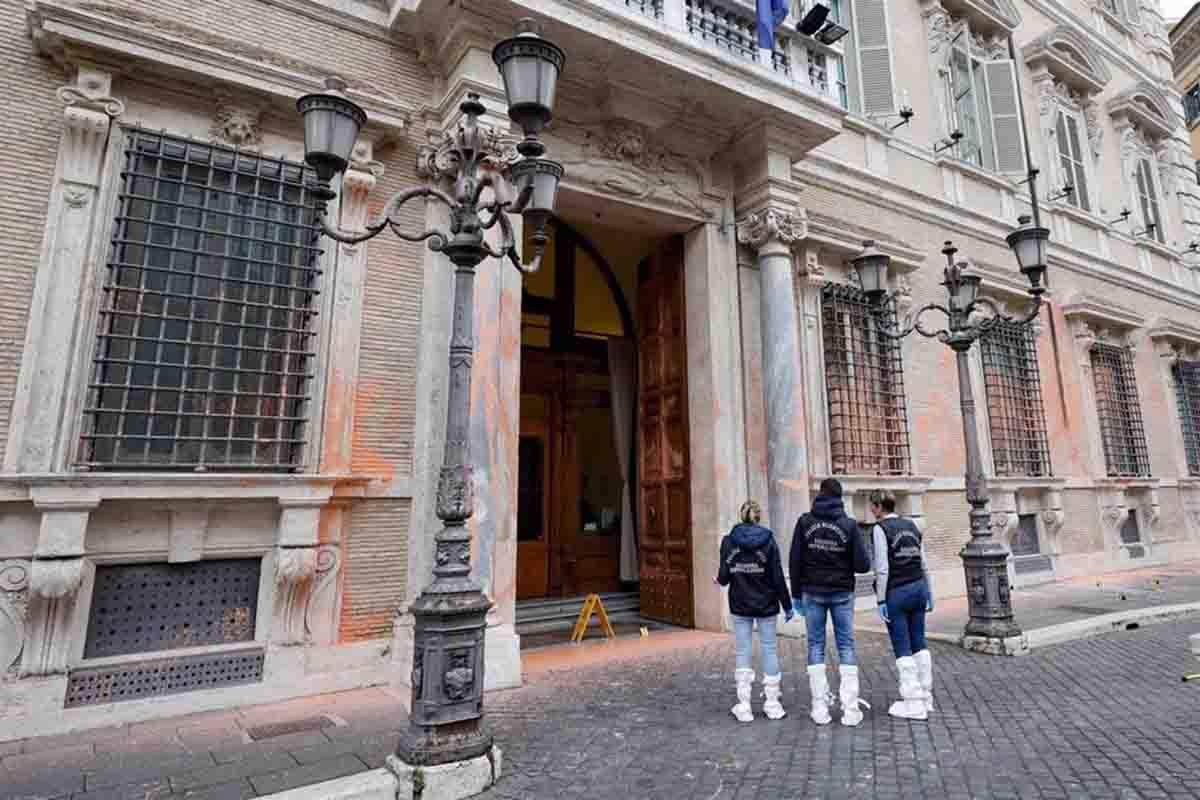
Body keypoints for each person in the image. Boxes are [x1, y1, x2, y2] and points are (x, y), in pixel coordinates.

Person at [790, 478, 871, 726]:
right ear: (840, 497)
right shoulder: (849, 525)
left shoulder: (805, 522)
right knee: (845, 645)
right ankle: (849, 709)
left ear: (820, 495)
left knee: (815, 645)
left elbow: (795, 560)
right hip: (841, 592)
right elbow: (863, 565)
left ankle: (819, 709)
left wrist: (795, 594)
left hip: (812, 591)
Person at [716, 500, 794, 722]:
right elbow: (777, 576)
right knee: (769, 649)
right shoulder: (768, 541)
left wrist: (719, 579)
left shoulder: (729, 542)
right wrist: (787, 606)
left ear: (741, 517)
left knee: (743, 651)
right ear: (759, 518)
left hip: (740, 603)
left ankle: (744, 705)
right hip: (766, 603)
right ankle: (772, 703)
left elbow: (724, 576)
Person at [869, 489, 934, 721]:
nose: (871, 510)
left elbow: (882, 568)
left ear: (878, 506)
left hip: (897, 591)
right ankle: (926, 695)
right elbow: (923, 562)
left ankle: (913, 701)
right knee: (919, 641)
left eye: (872, 506)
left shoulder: (879, 529)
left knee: (902, 645)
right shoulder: (912, 525)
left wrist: (881, 599)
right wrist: (929, 591)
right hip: (918, 587)